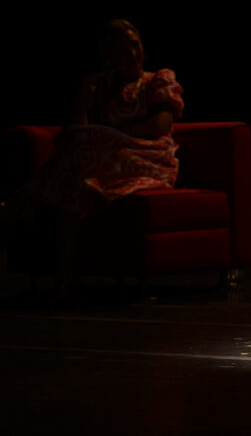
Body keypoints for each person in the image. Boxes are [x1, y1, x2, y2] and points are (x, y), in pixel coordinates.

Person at [2, 19, 185, 296]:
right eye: (122, 50)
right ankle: (65, 277)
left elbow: (158, 127)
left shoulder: (156, 80)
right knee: (78, 175)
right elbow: (79, 129)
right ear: (108, 57)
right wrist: (84, 91)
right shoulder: (104, 90)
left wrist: (108, 134)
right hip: (102, 157)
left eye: (135, 46)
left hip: (147, 156)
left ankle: (24, 203)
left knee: (78, 160)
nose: (132, 54)